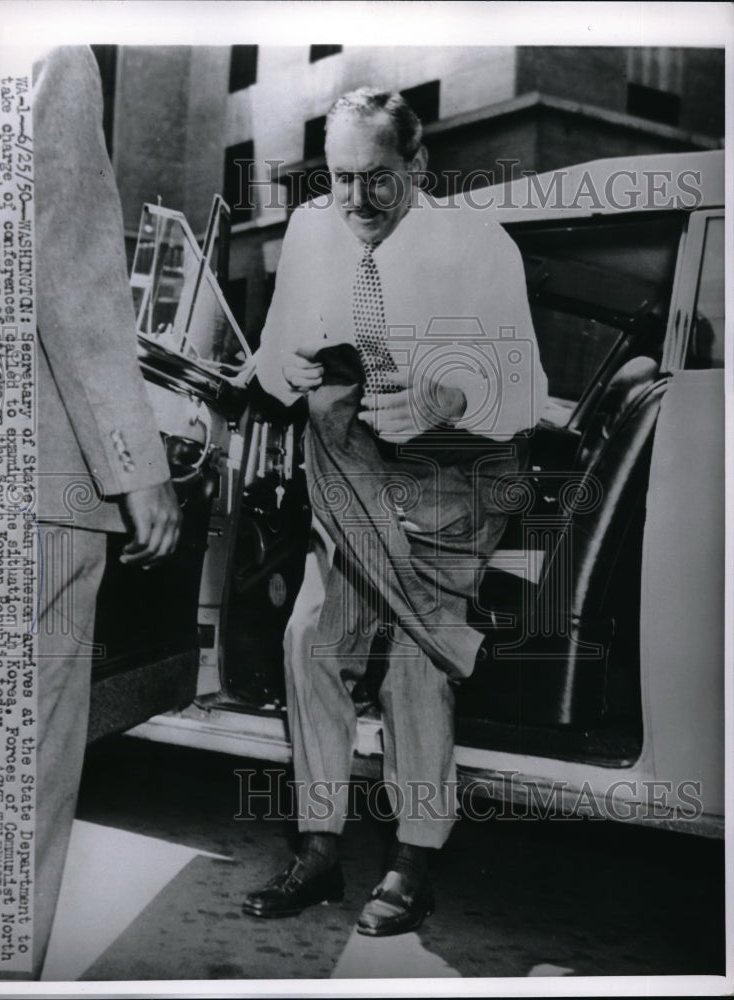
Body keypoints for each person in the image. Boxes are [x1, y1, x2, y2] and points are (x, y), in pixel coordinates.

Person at [242, 88, 548, 936]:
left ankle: (414, 860)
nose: (357, 203)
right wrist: (286, 372)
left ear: (417, 167)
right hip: (351, 463)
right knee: (312, 636)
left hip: (456, 471)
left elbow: (526, 387)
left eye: (377, 180)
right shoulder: (310, 230)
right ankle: (318, 851)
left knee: (416, 652)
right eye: (341, 181)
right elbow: (270, 355)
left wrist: (448, 396)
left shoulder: (477, 243)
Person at [0, 46, 182, 980]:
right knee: (21, 757)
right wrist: (136, 461)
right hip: (31, 472)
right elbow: (66, 269)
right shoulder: (47, 54)